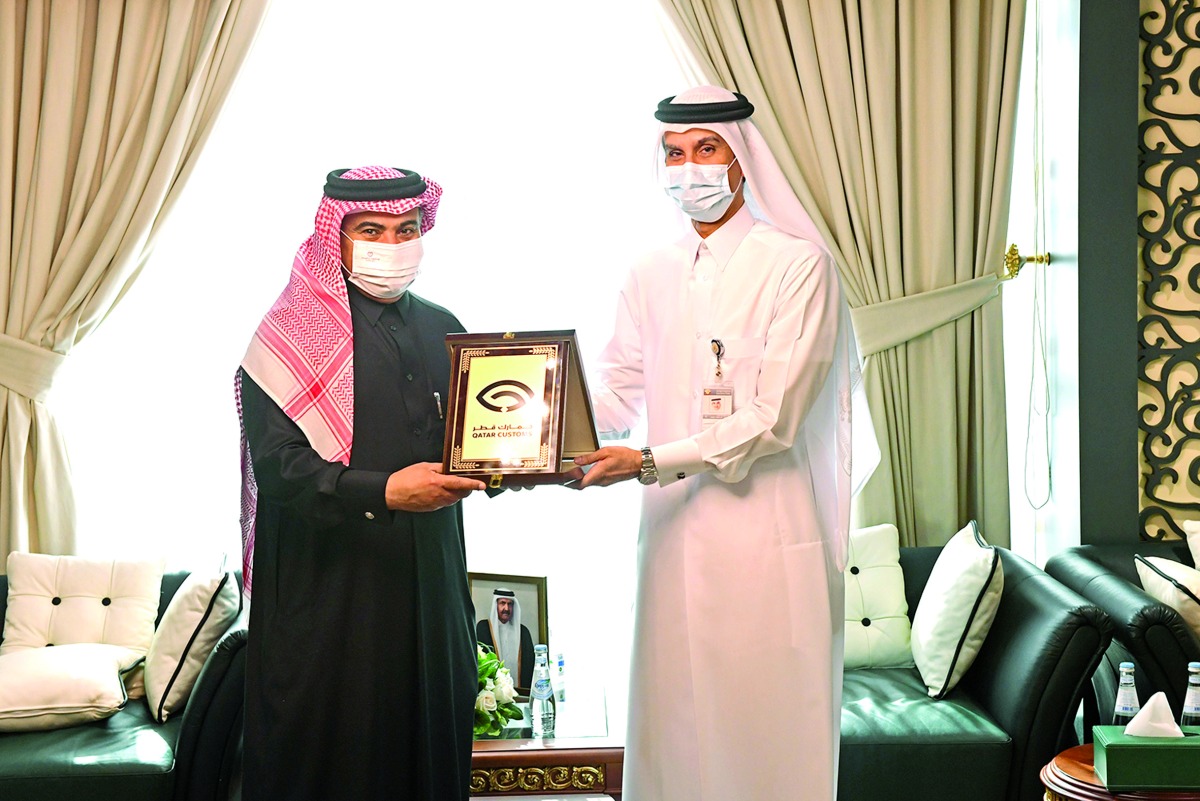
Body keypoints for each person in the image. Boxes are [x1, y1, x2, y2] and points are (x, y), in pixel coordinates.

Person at [574, 86, 877, 800]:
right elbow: (616, 395)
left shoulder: (799, 265)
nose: (689, 169)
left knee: (765, 737)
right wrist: (538, 419)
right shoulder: (649, 270)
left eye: (705, 150)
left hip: (765, 536)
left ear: (740, 159)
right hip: (673, 536)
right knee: (673, 734)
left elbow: (776, 417)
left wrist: (650, 460)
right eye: (674, 154)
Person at [236, 166, 486, 801]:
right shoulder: (289, 336)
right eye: (370, 229)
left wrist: (522, 463)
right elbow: (280, 469)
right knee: (331, 754)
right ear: (335, 237)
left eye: (406, 229)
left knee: (428, 749)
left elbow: (472, 445)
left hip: (428, 584)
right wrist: (382, 492)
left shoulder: (444, 326)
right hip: (328, 591)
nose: (391, 243)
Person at [476, 587, 536, 689]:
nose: (506, 608)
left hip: (520, 692)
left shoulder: (523, 632)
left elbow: (530, 665)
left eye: (510, 604)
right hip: (492, 693)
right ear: (496, 605)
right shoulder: (483, 628)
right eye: (502, 603)